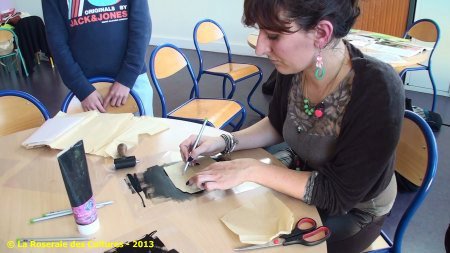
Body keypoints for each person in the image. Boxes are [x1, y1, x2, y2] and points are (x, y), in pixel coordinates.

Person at [180, 0, 405, 252]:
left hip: (355, 208)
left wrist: (252, 170)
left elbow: (338, 194)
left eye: (273, 36)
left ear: (321, 33)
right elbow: (278, 124)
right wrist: (224, 141)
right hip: (304, 174)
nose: (260, 48)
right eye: (261, 32)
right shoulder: (294, 68)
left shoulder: (377, 89)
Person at [42, 0, 153, 115]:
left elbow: (142, 30)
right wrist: (83, 90)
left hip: (133, 80)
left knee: (144, 131)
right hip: (87, 88)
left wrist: (126, 79)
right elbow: (57, 44)